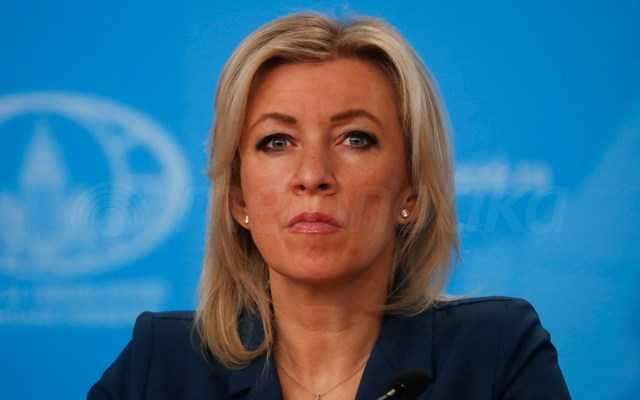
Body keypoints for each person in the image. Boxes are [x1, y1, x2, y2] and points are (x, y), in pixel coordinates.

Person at [87, 12, 571, 400]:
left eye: (355, 139)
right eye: (277, 141)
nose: (313, 175)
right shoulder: (162, 364)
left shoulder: (494, 352)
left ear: (412, 191)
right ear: (237, 198)